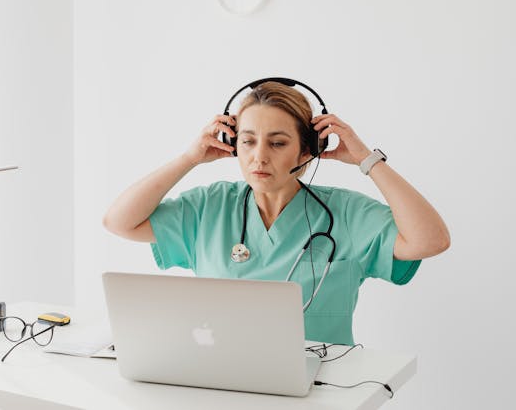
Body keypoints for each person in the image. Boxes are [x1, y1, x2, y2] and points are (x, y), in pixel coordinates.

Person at [102, 80, 450, 345]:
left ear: (307, 151)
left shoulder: (343, 213)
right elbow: (119, 222)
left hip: (320, 392)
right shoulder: (210, 207)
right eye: (248, 141)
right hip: (223, 385)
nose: (259, 157)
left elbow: (429, 240)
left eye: (278, 143)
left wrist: (365, 158)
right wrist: (189, 158)